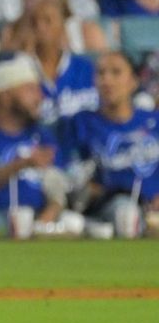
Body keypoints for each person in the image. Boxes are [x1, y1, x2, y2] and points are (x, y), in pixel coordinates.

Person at [0, 55, 76, 237]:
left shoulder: (41, 135)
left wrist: (49, 215)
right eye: (31, 89)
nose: (40, 97)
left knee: (74, 223)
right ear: (4, 96)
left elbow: (56, 182)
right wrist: (21, 164)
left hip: (38, 220)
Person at [65, 52, 159, 238]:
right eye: (101, 73)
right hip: (111, 207)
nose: (107, 80)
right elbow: (72, 171)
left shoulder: (154, 121)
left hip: (154, 206)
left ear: (134, 81)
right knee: (126, 213)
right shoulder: (82, 122)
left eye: (116, 73)